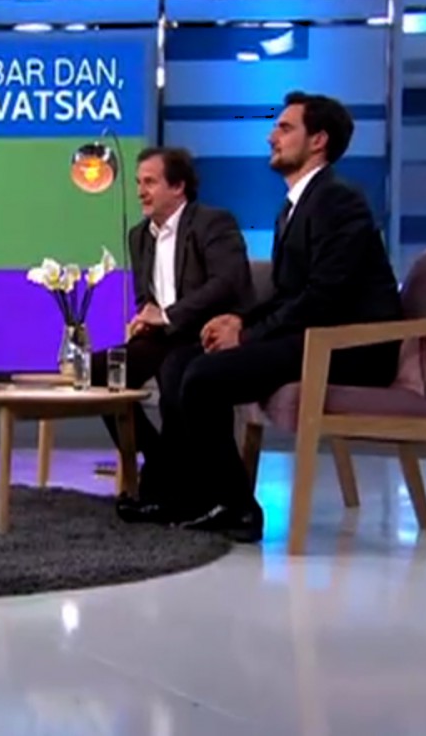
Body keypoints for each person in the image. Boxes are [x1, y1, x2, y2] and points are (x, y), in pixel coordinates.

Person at [133, 91, 404, 541]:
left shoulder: (338, 201)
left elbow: (323, 298)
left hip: (350, 346)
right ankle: (188, 494)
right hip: (312, 335)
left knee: (203, 376)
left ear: (318, 140)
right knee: (180, 362)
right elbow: (287, 293)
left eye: (284, 128)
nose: (271, 137)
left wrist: (248, 335)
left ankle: (237, 507)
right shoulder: (294, 206)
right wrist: (241, 322)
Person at [91, 146, 252, 508]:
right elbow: (146, 297)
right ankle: (160, 459)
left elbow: (226, 282)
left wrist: (167, 315)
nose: (140, 192)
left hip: (206, 334)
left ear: (178, 186)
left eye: (150, 182)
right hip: (163, 336)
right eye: (138, 183)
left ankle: (175, 485)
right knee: (98, 373)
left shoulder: (212, 223)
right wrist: (145, 319)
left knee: (175, 371)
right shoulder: (139, 236)